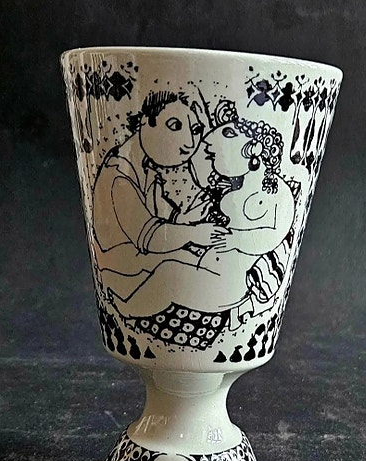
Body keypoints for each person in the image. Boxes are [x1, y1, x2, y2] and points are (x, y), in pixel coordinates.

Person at [108, 99, 296, 328]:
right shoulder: (232, 188)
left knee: (169, 274)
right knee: (165, 261)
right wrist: (192, 228)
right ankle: (118, 285)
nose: (203, 144)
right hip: (209, 264)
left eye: (228, 134)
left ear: (253, 149)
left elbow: (276, 232)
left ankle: (126, 310)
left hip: (228, 283)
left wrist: (237, 239)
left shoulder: (275, 193)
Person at [91, 90, 229, 302]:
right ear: (145, 122)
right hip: (122, 269)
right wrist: (194, 233)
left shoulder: (148, 170)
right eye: (174, 126)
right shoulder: (118, 175)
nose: (190, 143)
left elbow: (164, 219)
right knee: (193, 265)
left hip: (142, 262)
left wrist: (187, 218)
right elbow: (150, 237)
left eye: (195, 130)